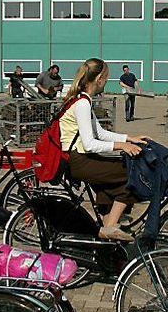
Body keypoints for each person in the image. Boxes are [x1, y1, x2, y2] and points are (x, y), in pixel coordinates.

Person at [60, 58, 148, 241]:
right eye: (106, 77)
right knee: (131, 175)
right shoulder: (83, 103)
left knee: (109, 183)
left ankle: (107, 233)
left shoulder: (83, 100)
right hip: (80, 159)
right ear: (99, 78)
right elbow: (90, 143)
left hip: (81, 157)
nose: (108, 80)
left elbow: (99, 132)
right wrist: (122, 145)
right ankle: (108, 229)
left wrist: (128, 138)